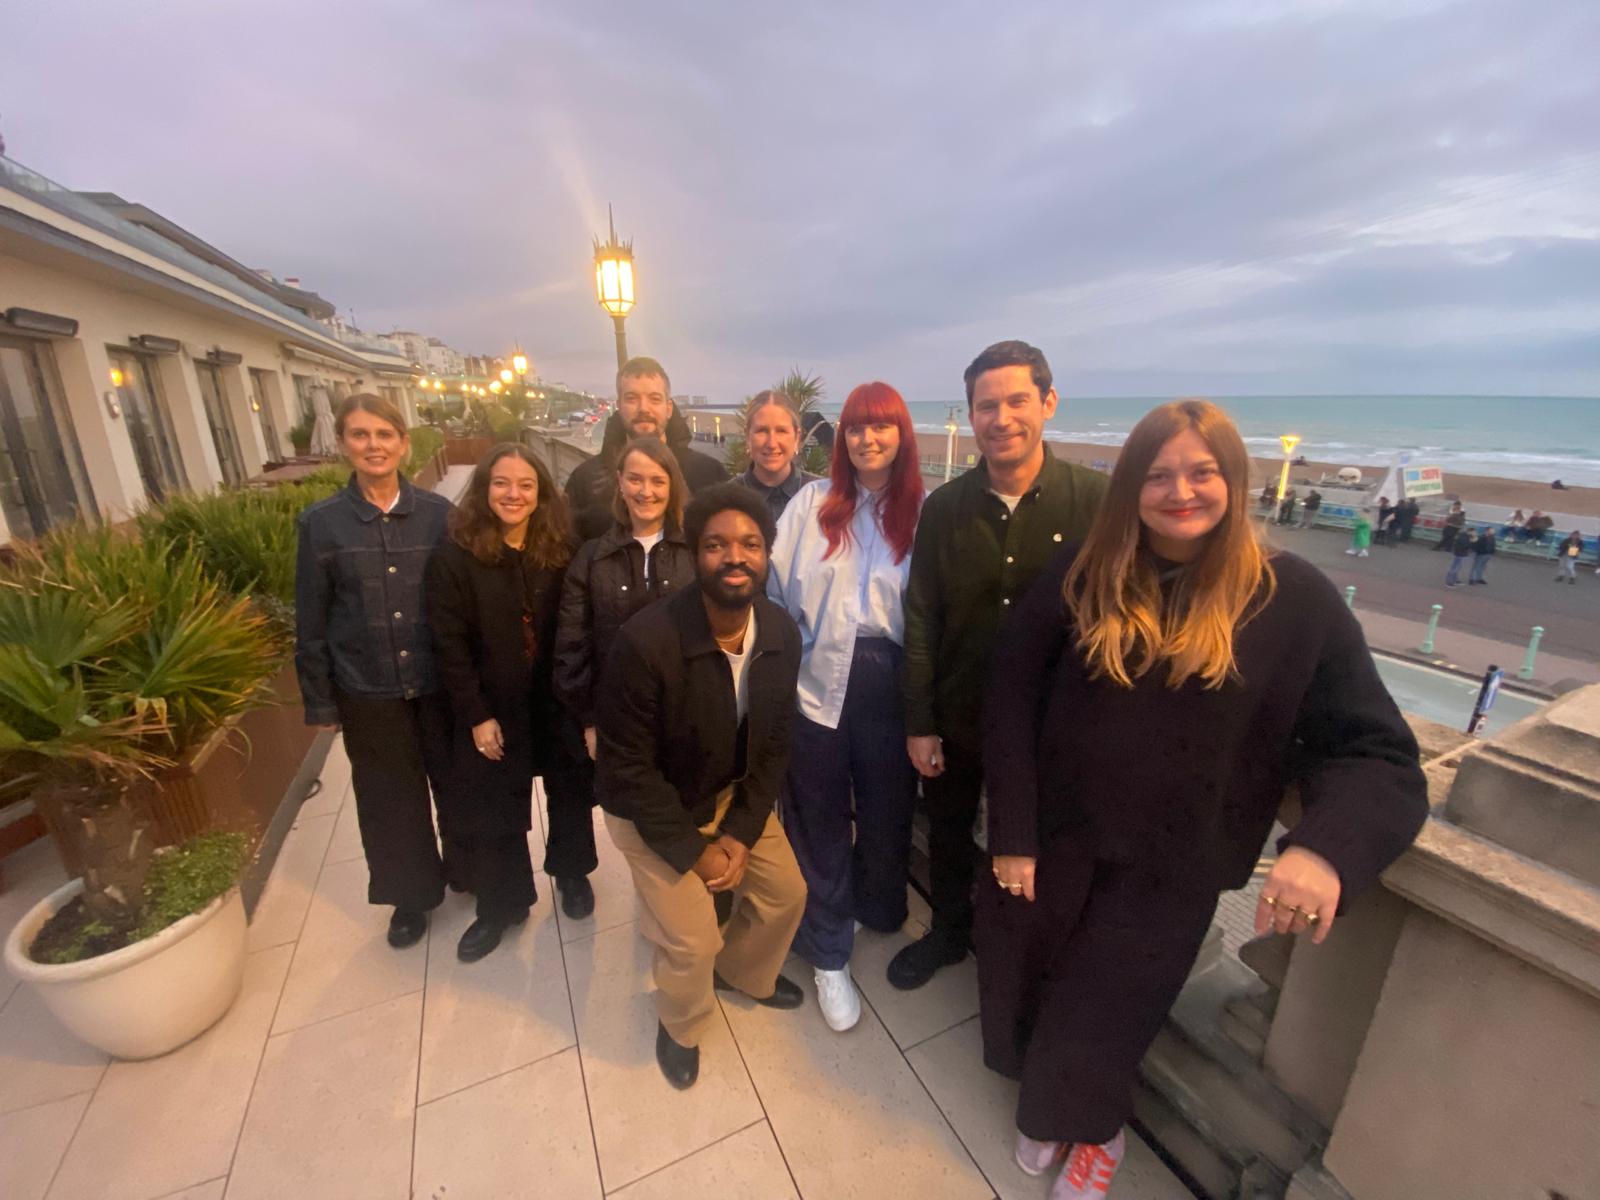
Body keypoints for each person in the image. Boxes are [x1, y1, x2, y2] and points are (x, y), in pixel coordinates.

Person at [982, 400, 1426, 1198]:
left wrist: (1324, 849)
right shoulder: (1085, 570)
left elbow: (1378, 750)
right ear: (1130, 487)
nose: (1179, 491)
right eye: (1157, 475)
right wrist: (1012, 830)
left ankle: (1094, 1128)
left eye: (1201, 472)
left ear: (1234, 481)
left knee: (1113, 1006)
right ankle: (1046, 1101)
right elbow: (1012, 690)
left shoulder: (1290, 598)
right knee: (1029, 977)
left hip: (1174, 864)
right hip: (1058, 837)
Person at [894, 340, 1107, 991]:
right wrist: (920, 722)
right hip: (960, 715)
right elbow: (922, 616)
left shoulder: (1095, 501)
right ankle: (948, 933)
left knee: (1043, 846)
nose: (1002, 418)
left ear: (1048, 402)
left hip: (1054, 728)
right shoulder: (945, 509)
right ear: (971, 415)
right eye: (987, 405)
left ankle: (1021, 957)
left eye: (1017, 401)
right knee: (950, 834)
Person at [595, 483, 808, 1089]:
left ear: (767, 554)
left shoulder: (779, 632)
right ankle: (680, 1024)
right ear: (695, 554)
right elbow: (628, 769)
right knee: (692, 941)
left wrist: (739, 834)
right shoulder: (647, 641)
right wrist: (697, 852)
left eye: (750, 544)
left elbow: (773, 744)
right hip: (652, 809)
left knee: (787, 895)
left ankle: (740, 973)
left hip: (726, 793)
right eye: (717, 545)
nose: (734, 556)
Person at [768, 382, 924, 1031]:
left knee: (888, 815)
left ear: (901, 434)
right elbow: (775, 596)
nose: (867, 438)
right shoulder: (810, 505)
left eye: (880, 426)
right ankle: (828, 953)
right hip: (816, 680)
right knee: (819, 820)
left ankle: (871, 907)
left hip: (891, 682)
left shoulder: (924, 513)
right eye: (855, 427)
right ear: (842, 438)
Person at [295, 394, 456, 949]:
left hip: (437, 681)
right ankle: (412, 897)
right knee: (390, 800)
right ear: (344, 444)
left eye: (384, 434)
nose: (373, 445)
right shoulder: (321, 524)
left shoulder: (439, 515)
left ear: (403, 444)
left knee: (456, 786)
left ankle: (466, 870)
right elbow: (311, 617)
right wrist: (319, 700)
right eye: (360, 435)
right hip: (367, 688)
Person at [426, 445, 597, 959]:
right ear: (484, 489)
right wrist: (476, 714)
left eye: (526, 484)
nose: (513, 494)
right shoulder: (455, 555)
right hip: (494, 704)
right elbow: (449, 643)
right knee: (496, 804)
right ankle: (504, 903)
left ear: (542, 493)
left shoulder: (563, 547)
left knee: (570, 789)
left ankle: (572, 873)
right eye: (502, 483)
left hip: (558, 697)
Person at [555, 436, 696, 763]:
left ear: (672, 485)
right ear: (619, 482)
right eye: (635, 479)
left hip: (685, 720)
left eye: (657, 481)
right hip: (616, 723)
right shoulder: (592, 557)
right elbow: (572, 645)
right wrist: (589, 720)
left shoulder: (696, 553)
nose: (646, 491)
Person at [564, 356, 727, 539]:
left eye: (654, 399)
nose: (643, 408)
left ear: (669, 408)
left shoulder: (709, 475)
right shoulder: (585, 480)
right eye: (632, 398)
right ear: (619, 406)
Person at [734, 389, 820, 520]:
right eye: (762, 431)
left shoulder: (820, 496)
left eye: (781, 431)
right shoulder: (726, 500)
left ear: (797, 437)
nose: (772, 443)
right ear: (747, 436)